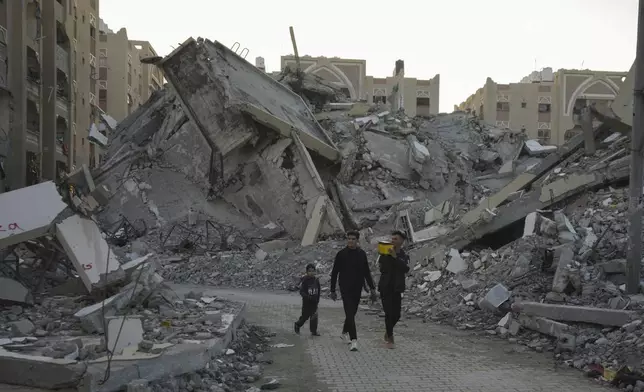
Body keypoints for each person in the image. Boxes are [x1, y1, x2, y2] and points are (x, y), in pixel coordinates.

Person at [330, 231, 377, 352]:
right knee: (350, 314)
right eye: (349, 239)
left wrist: (372, 288)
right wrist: (332, 290)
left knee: (352, 313)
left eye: (353, 239)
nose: (350, 241)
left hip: (357, 288)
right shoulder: (341, 254)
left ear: (357, 240)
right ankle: (354, 340)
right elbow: (335, 273)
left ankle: (344, 332)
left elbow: (366, 272)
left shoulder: (361, 254)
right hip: (345, 288)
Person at [378, 230, 410, 349]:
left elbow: (405, 269)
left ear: (401, 241)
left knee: (396, 314)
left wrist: (395, 258)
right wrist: (387, 255)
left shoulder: (403, 255)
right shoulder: (385, 253)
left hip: (397, 288)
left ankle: (388, 331)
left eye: (395, 239)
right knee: (388, 313)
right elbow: (382, 268)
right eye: (392, 239)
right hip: (385, 287)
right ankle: (390, 339)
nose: (393, 241)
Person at [294, 263, 321, 336]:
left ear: (315, 271)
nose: (311, 273)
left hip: (314, 302)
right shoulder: (305, 280)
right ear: (307, 272)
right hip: (307, 303)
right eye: (310, 271)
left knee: (314, 317)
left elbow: (318, 290)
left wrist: (317, 300)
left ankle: (313, 331)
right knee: (305, 317)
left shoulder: (316, 280)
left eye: (313, 271)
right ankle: (297, 325)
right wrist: (307, 297)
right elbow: (301, 292)